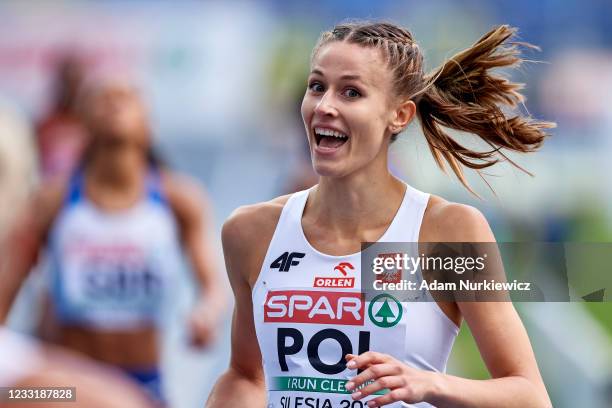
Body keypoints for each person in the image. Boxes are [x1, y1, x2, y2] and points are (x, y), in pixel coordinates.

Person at [206, 21, 554, 408]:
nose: (324, 107)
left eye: (351, 92)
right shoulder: (251, 231)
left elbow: (529, 395)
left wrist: (429, 384)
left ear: (400, 116)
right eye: (317, 86)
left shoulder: (446, 230)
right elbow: (244, 375)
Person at [0, 76, 226, 406]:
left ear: (148, 123)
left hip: (145, 382)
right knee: (15, 395)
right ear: (83, 121)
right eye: (102, 98)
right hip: (66, 384)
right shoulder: (53, 200)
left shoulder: (178, 199)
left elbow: (212, 286)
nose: (113, 104)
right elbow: (7, 288)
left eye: (126, 97)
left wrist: (205, 315)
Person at [36, 54, 89, 180]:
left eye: (76, 82)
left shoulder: (92, 127)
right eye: (67, 82)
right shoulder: (45, 126)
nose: (71, 89)